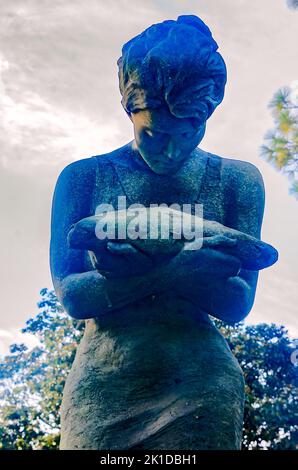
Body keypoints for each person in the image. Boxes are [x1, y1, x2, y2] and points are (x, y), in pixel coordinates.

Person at [50, 15, 265, 450]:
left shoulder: (236, 181)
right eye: (153, 134)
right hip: (104, 385)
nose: (171, 150)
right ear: (129, 109)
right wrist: (180, 269)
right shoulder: (84, 177)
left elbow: (237, 302)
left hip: (200, 385)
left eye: (188, 134)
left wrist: (126, 271)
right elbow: (74, 295)